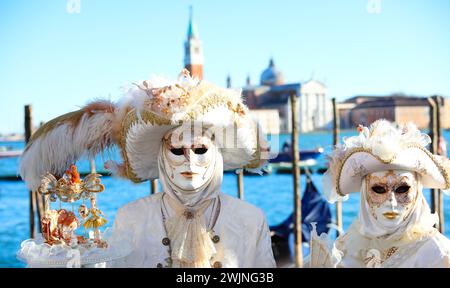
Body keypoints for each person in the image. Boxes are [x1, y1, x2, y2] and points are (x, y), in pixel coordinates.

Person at [19, 70, 276, 268]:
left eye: (200, 150)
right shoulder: (131, 218)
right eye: (177, 150)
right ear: (161, 156)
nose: (190, 161)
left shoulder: (250, 220)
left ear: (217, 154)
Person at [313, 119, 450, 268]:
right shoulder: (348, 246)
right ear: (365, 192)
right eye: (379, 189)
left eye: (402, 189)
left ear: (417, 191)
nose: (391, 200)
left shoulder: (436, 253)